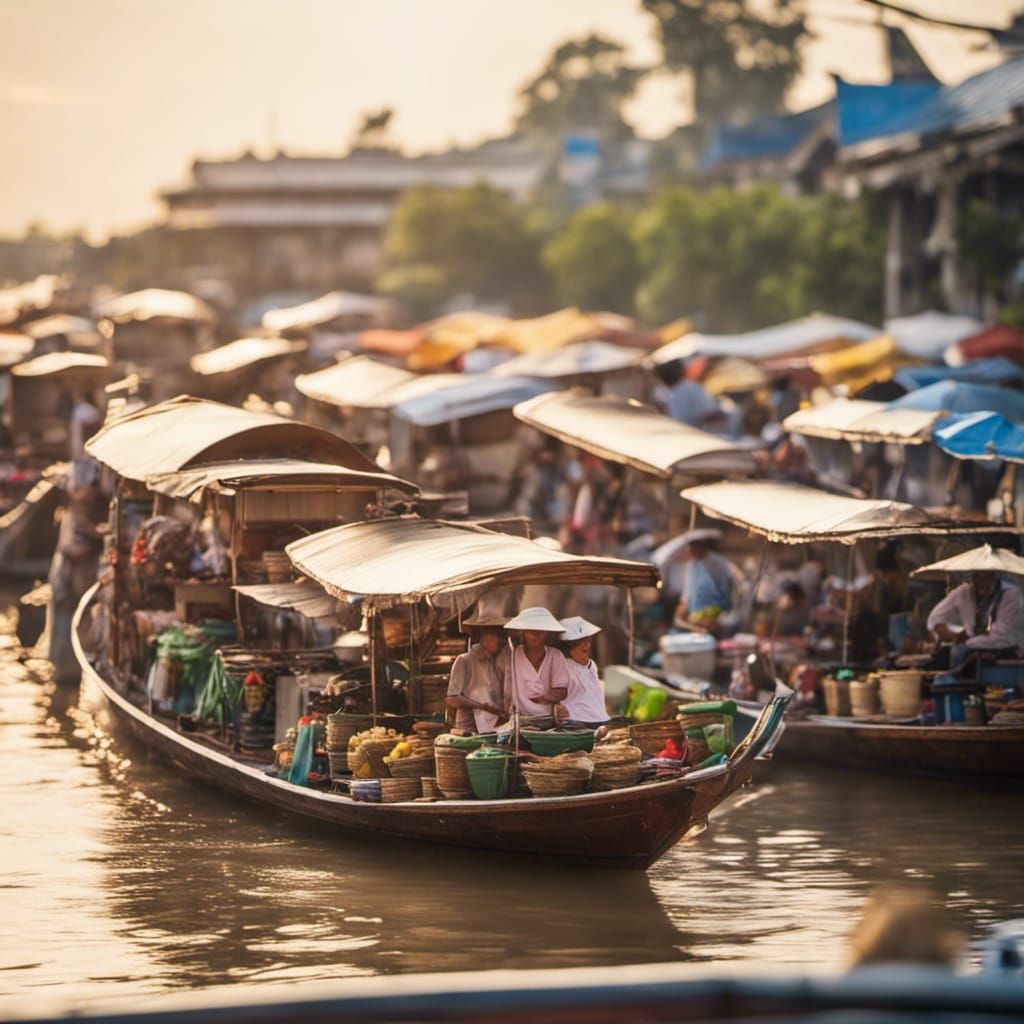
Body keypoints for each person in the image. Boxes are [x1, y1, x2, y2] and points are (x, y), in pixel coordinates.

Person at [926, 570, 1024, 662]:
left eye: (985, 577)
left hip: (1004, 648)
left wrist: (968, 642)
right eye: (976, 576)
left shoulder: (1010, 594)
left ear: (993, 576)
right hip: (969, 648)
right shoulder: (964, 592)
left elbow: (1000, 635)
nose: (980, 582)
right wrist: (950, 635)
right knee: (951, 654)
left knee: (960, 652)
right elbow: (934, 618)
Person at [444, 614, 509, 733]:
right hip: (470, 728)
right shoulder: (465, 661)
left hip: (495, 727)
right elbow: (452, 699)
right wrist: (481, 706)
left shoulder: (499, 661)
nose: (501, 640)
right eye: (495, 635)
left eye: (503, 635)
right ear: (483, 636)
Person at [503, 606, 570, 719]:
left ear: (546, 633)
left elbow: (562, 691)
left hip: (548, 718)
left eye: (540, 631)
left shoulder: (555, 655)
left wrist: (546, 698)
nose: (535, 635)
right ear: (523, 632)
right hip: (519, 719)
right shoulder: (512, 654)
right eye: (530, 631)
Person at [674, 532, 735, 624]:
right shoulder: (692, 564)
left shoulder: (717, 563)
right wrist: (684, 603)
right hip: (694, 612)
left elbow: (725, 587)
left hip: (713, 612)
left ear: (702, 547)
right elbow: (688, 589)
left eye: (693, 547)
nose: (690, 550)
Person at [558, 616, 609, 725]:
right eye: (580, 641)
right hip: (577, 722)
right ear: (570, 645)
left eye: (588, 640)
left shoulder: (592, 665)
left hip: (599, 719)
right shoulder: (563, 666)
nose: (586, 645)